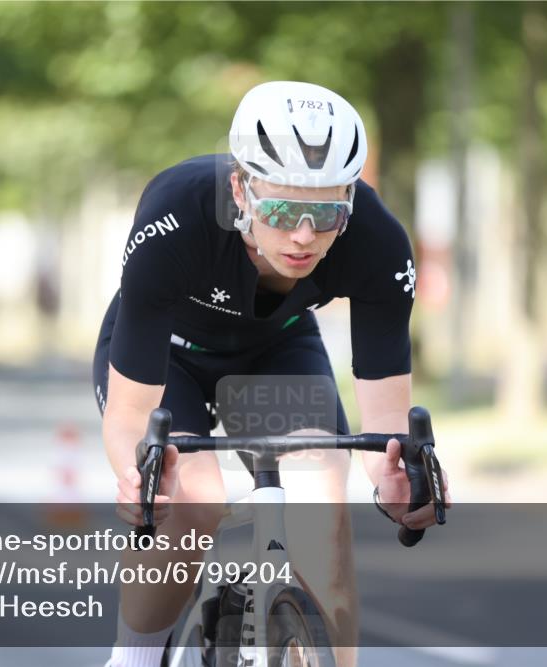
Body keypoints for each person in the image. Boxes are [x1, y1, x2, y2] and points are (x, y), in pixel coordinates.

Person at [92, 80, 451, 667]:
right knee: (193, 501)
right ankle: (131, 659)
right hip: (169, 356)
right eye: (283, 210)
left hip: (276, 350)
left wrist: (395, 479)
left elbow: (384, 425)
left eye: (327, 212)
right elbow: (131, 416)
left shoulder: (378, 244)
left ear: (351, 203)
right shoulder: (174, 216)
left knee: (323, 520)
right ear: (242, 189)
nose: (305, 234)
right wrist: (141, 480)